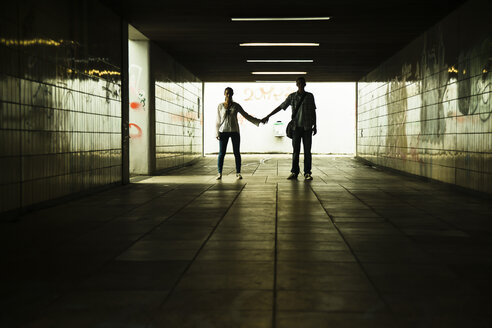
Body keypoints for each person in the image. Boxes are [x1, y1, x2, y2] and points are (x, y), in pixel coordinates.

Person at [261, 77, 317, 180]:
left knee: (307, 151)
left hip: (307, 127)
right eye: (298, 83)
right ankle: (294, 172)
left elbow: (313, 111)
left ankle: (307, 173)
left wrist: (315, 125)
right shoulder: (292, 97)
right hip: (296, 128)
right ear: (296, 84)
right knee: (296, 151)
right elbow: (281, 107)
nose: (300, 84)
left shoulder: (309, 96)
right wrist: (268, 115)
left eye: (302, 83)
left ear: (305, 84)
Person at [216, 87, 261, 180]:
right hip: (223, 132)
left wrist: (258, 121)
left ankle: (238, 173)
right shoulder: (220, 106)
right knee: (221, 153)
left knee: (236, 153)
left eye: (230, 93)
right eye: (227, 93)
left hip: (234, 131)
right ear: (224, 94)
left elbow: (246, 115)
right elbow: (217, 120)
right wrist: (217, 133)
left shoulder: (236, 106)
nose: (229, 95)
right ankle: (219, 173)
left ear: (233, 94)